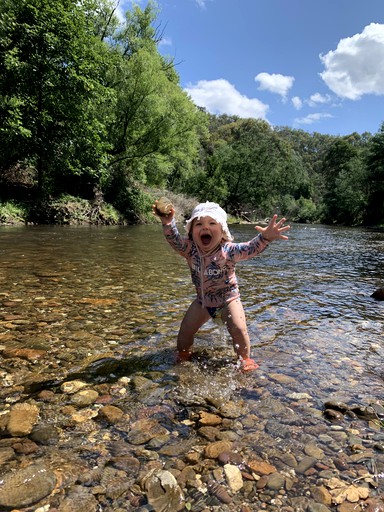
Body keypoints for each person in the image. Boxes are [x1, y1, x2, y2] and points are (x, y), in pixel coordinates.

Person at [153, 200, 290, 372]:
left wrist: (266, 237)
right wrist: (167, 222)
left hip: (228, 300)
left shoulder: (228, 250)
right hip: (202, 302)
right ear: (191, 230)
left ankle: (245, 359)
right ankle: (184, 354)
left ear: (222, 230)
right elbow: (173, 240)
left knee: (239, 329)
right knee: (185, 330)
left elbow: (250, 248)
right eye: (199, 224)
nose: (205, 228)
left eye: (212, 223)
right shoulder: (189, 249)